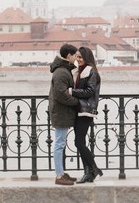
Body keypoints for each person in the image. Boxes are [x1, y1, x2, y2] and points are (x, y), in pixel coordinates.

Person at [71, 46, 103, 183]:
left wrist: (72, 91)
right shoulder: (79, 71)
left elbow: (89, 91)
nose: (78, 59)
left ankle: (94, 168)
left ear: (87, 58)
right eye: (77, 57)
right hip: (79, 110)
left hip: (87, 110)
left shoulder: (91, 72)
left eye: (80, 57)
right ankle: (88, 173)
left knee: (78, 142)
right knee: (80, 142)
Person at [49, 43, 80, 186]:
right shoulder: (61, 72)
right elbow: (61, 95)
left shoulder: (62, 70)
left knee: (61, 143)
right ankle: (59, 176)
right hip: (61, 112)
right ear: (69, 56)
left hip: (62, 112)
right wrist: (77, 102)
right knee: (59, 144)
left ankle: (61, 172)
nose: (76, 58)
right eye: (74, 55)